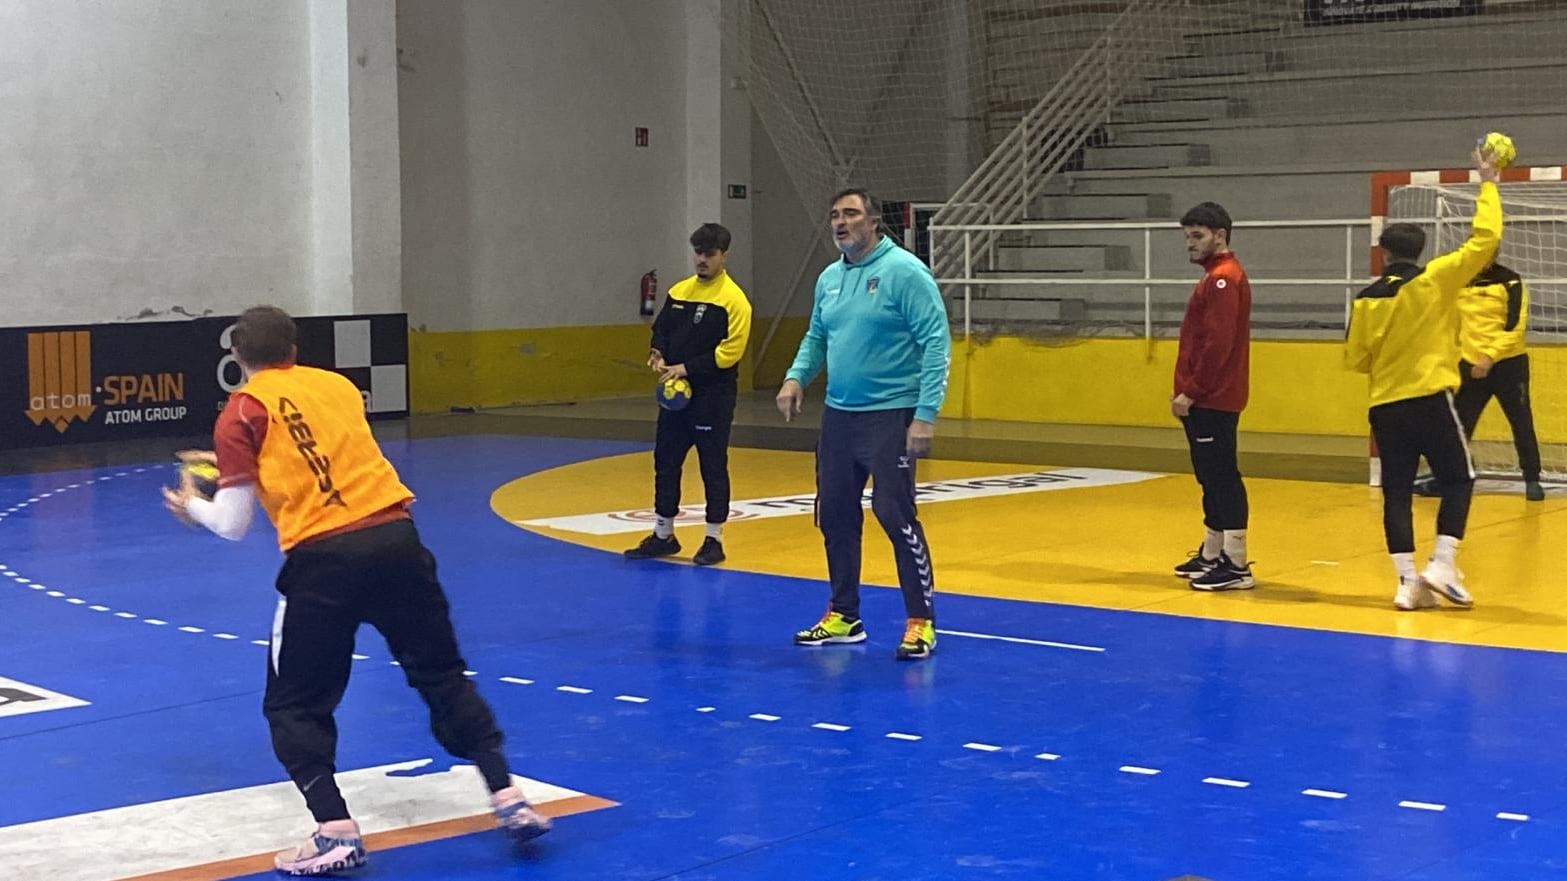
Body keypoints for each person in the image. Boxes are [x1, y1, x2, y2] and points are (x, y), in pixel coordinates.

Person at [162, 306, 550, 876]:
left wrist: (192, 505)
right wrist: (241, 462)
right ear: (294, 349)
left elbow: (234, 523)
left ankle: (334, 832)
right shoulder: (339, 387)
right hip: (396, 540)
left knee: (294, 704)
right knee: (441, 675)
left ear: (237, 357)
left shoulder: (241, 412)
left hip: (324, 563)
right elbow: (317, 450)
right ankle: (509, 797)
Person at [776, 188, 951, 661]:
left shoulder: (905, 272)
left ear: (874, 222)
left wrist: (925, 415)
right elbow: (817, 336)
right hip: (840, 417)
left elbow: (936, 343)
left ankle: (920, 621)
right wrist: (795, 378)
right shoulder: (829, 278)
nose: (840, 222)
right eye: (834, 214)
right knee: (834, 513)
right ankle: (843, 615)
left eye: (850, 213)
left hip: (892, 415)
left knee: (894, 512)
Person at [1346, 146, 1502, 611]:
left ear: (1384, 252)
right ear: (1420, 251)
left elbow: (1357, 358)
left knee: (1396, 490)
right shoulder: (1434, 279)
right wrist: (1488, 183)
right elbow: (1485, 239)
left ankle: (1407, 582)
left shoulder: (1366, 298)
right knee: (1459, 478)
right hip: (1430, 397)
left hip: (1385, 405)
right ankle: (1443, 562)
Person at [624, 223, 753, 566]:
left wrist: (687, 368)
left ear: (724, 256)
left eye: (709, 254)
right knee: (665, 461)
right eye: (698, 252)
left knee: (712, 465)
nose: (702, 260)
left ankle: (713, 539)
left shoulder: (734, 301)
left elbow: (730, 353)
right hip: (675, 397)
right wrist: (657, 351)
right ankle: (663, 534)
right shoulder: (679, 291)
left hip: (712, 397)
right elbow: (662, 329)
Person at [1170, 201, 1255, 591]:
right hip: (1209, 397)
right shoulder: (1216, 278)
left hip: (1213, 398)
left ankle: (1236, 563)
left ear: (1219, 236)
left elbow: (1216, 345)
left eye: (1198, 236)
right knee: (1209, 475)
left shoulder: (1222, 280)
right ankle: (1212, 551)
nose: (1191, 243)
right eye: (1188, 236)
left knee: (1221, 476)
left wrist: (1191, 392)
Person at [1413, 259, 1544, 501]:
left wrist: (1489, 358)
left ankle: (1532, 478)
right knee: (1459, 425)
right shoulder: (1460, 281)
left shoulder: (1510, 281)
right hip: (1470, 366)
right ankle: (1449, 477)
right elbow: (1451, 322)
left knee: (1521, 421)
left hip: (1508, 364)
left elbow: (1515, 327)